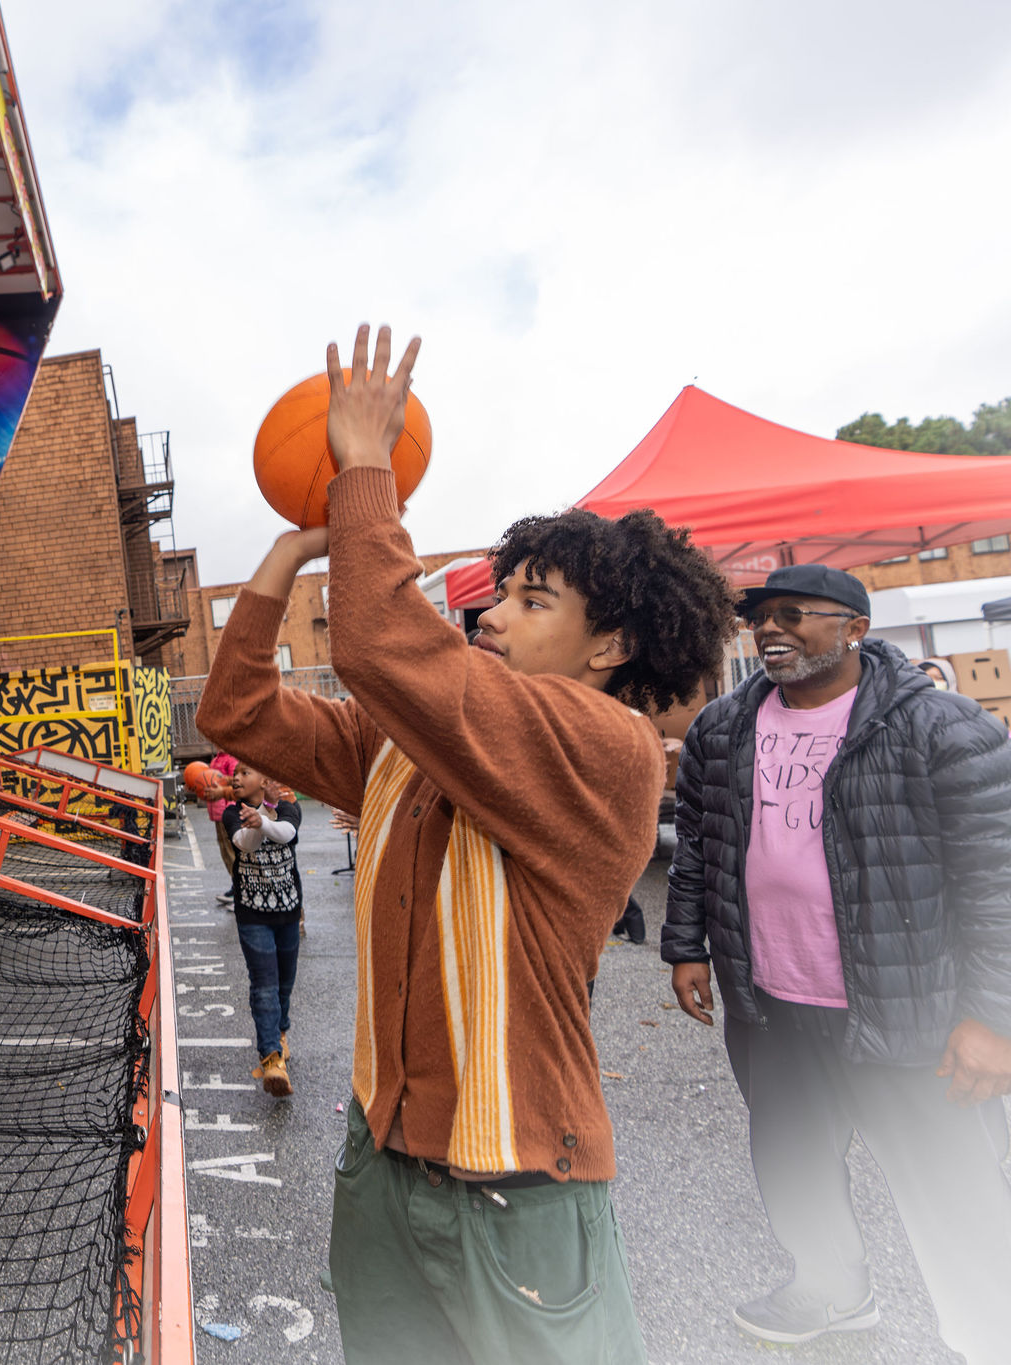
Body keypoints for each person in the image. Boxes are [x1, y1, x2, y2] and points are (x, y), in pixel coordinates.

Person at [197, 325, 737, 1365]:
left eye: (534, 602)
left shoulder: (607, 747)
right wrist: (287, 554)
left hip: (514, 1185)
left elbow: (379, 642)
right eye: (501, 591)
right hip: (382, 1163)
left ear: (611, 646)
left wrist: (365, 467)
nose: (493, 614)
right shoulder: (411, 743)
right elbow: (238, 710)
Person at [662, 563, 1011, 1355]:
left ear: (855, 627)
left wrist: (994, 1017)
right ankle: (831, 1289)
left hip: (906, 1005)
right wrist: (685, 945)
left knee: (951, 1183)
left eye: (794, 614)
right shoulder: (723, 727)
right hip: (772, 1001)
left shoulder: (939, 726)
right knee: (793, 1160)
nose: (770, 628)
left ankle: (992, 1333)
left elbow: (998, 881)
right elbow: (700, 849)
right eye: (761, 617)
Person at [222, 761, 303, 1096]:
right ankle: (271, 1059)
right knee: (265, 985)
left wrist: (266, 814)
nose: (236, 778)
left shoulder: (289, 807)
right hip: (253, 916)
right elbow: (247, 844)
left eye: (244, 773)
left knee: (284, 984)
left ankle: (280, 1033)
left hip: (288, 913)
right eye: (235, 774)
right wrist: (257, 821)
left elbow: (287, 833)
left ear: (264, 779)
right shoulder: (232, 813)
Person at [205, 751, 239, 906]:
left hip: (228, 811)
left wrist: (223, 783)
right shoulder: (216, 759)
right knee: (225, 851)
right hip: (217, 812)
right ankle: (235, 885)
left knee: (232, 852)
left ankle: (240, 890)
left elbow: (237, 783)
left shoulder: (232, 759)